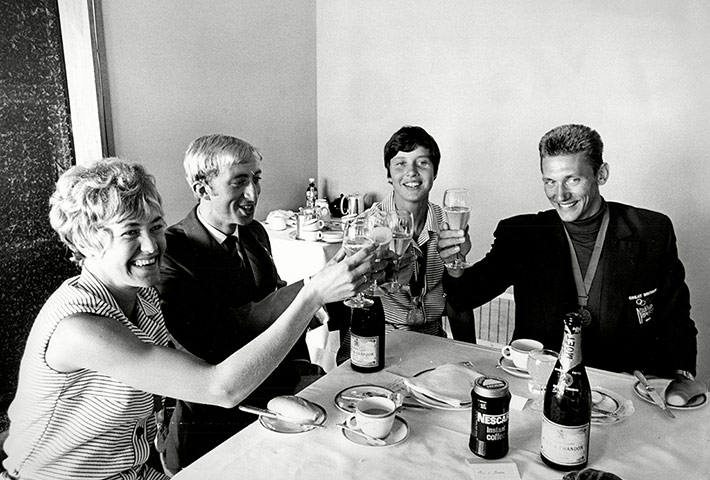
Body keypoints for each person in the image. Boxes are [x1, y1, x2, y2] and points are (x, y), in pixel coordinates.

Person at [0, 158, 373, 480]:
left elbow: (198, 368)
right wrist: (312, 296)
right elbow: (219, 388)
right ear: (84, 242)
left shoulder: (142, 293)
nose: (151, 246)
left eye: (156, 226)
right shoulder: (81, 328)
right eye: (131, 232)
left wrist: (270, 400)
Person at [156, 134, 364, 472]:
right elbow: (224, 336)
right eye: (240, 180)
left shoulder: (253, 233)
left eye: (256, 178)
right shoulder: (172, 252)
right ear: (202, 188)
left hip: (278, 400)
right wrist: (314, 290)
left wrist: (342, 285)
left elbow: (274, 302)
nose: (254, 193)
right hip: (216, 426)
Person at [439, 124, 697, 381]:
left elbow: (676, 320)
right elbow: (463, 298)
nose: (560, 194)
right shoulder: (522, 234)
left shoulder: (651, 230)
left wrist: (682, 377)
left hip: (622, 389)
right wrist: (454, 262)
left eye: (573, 179)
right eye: (550, 181)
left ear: (602, 174)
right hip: (540, 385)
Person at [334, 126, 474, 364]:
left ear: (435, 172)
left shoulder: (446, 222)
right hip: (379, 338)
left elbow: (458, 298)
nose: (411, 172)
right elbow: (347, 294)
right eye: (400, 164)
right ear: (389, 174)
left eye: (422, 163)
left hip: (432, 340)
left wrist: (455, 267)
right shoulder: (368, 225)